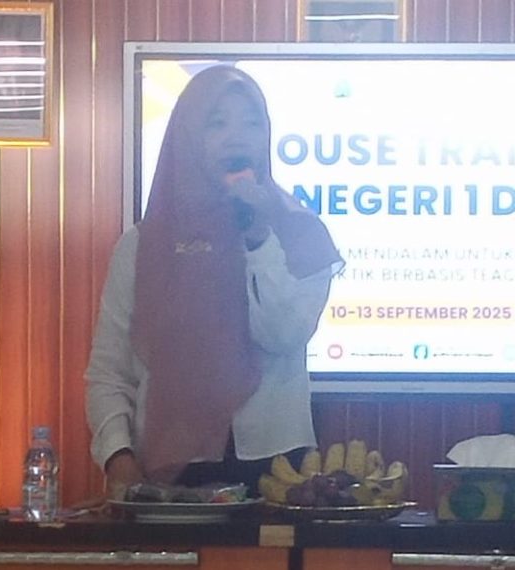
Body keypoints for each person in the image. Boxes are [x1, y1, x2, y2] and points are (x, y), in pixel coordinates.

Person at [85, 65, 343, 496]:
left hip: (278, 468)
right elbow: (109, 372)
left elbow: (283, 333)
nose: (237, 137)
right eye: (217, 123)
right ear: (188, 137)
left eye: (251, 123)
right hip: (170, 469)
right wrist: (118, 456)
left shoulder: (298, 233)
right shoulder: (144, 246)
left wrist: (259, 239)